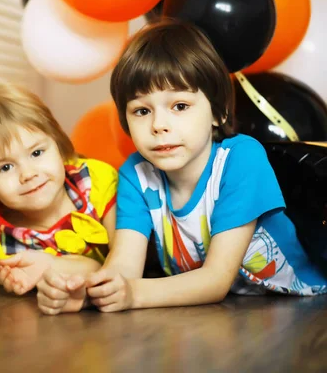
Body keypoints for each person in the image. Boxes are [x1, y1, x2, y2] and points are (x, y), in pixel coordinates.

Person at [37, 20, 327, 315]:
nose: (159, 125)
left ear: (218, 112)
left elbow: (216, 280)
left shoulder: (241, 159)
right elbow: (125, 266)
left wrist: (132, 294)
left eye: (179, 106)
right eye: (141, 110)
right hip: (218, 313)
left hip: (300, 307)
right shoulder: (135, 174)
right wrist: (87, 293)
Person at [0, 82, 117, 311]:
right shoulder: (7, 241)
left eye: (37, 153)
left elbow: (121, 266)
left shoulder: (96, 182)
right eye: (6, 167)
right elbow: (62, 284)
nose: (28, 174)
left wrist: (54, 264)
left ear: (59, 147)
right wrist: (51, 271)